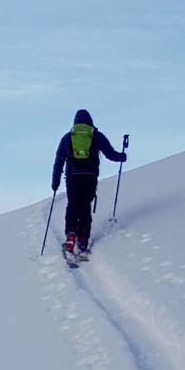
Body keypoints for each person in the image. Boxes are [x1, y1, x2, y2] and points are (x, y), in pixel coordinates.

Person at [52, 109, 126, 260]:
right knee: (85, 206)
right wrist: (122, 156)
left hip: (72, 177)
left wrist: (55, 182)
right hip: (90, 176)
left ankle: (71, 238)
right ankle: (83, 240)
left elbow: (58, 161)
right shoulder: (96, 136)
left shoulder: (68, 137)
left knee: (73, 205)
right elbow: (110, 154)